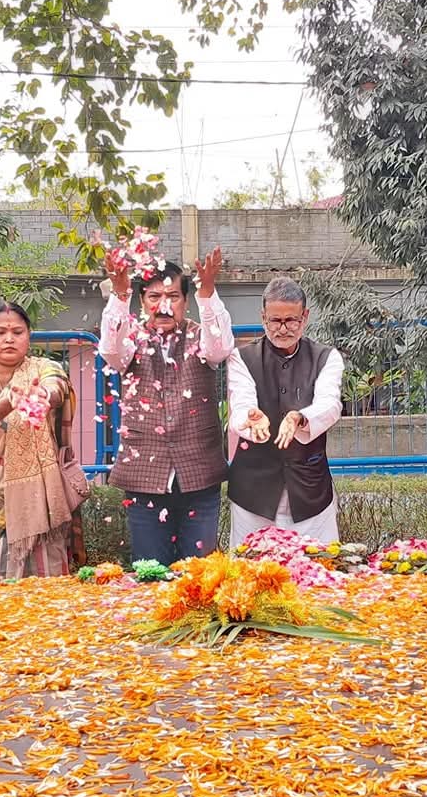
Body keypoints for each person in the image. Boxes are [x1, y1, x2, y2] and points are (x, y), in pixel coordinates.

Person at [98, 232, 234, 565]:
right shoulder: (131, 338)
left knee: (200, 573)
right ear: (142, 302)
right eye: (155, 297)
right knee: (150, 571)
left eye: (173, 297)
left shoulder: (201, 336)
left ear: (186, 302)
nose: (164, 305)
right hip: (144, 475)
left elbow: (221, 349)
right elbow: (111, 352)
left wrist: (207, 293)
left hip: (199, 474)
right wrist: (119, 294)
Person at [0, 301, 79, 578]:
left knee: (46, 582)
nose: (9, 339)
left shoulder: (44, 368)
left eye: (17, 332)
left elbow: (56, 387)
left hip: (40, 495)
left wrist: (43, 395)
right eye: (0, 332)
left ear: (29, 336)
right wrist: (11, 400)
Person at [227, 276, 344, 547]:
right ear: (263, 318)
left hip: (311, 491)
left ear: (305, 317)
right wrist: (250, 418)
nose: (283, 329)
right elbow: (241, 404)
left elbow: (330, 405)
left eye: (291, 320)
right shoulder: (242, 358)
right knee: (250, 567)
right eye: (275, 321)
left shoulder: (327, 357)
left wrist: (300, 418)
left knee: (319, 566)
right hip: (252, 493)